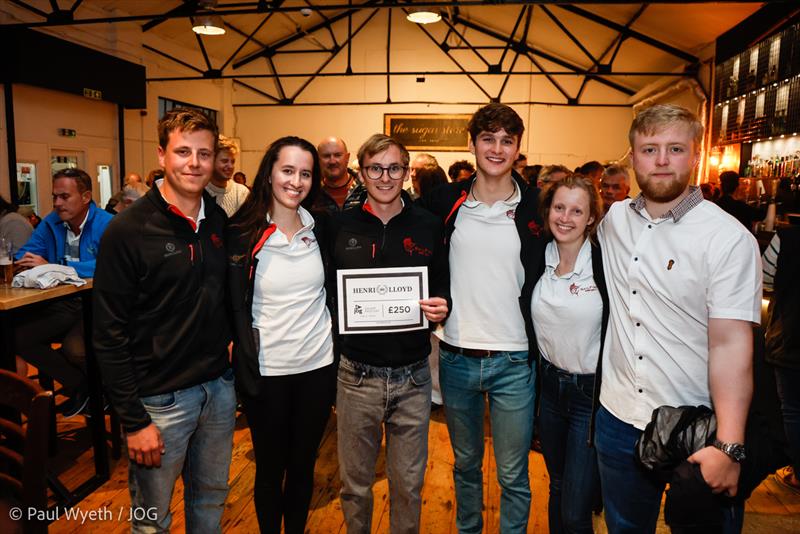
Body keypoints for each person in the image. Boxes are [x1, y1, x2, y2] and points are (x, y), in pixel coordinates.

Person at [595, 104, 761, 533]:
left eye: (675, 148)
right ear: (632, 158)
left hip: (696, 427)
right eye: (650, 149)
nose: (662, 160)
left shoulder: (726, 238)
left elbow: (731, 345)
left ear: (695, 154)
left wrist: (730, 445)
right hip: (618, 418)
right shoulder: (614, 220)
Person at [93, 108, 235, 532]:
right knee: (152, 521)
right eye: (183, 151)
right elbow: (108, 332)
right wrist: (133, 421)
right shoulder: (128, 229)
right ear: (162, 154)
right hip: (160, 402)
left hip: (219, 391)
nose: (194, 163)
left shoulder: (219, 221)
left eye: (204, 154)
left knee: (210, 503)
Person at [422, 103, 546, 533]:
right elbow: (420, 258)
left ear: (517, 148)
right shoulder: (442, 201)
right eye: (488, 138)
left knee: (514, 474)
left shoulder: (537, 206)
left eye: (506, 141)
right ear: (472, 143)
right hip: (456, 356)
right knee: (466, 465)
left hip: (514, 360)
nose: (497, 149)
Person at [333, 133, 449, 534]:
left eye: (394, 168)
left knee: (409, 485)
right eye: (375, 168)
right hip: (355, 375)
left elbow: (443, 283)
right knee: (354, 486)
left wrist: (442, 304)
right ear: (361, 172)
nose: (385, 177)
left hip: (413, 376)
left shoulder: (429, 226)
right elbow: (328, 295)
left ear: (407, 171)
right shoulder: (338, 225)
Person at [227, 136, 335, 534]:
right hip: (266, 372)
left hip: (317, 368)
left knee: (304, 466)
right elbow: (231, 302)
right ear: (269, 173)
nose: (296, 181)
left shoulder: (321, 226)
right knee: (271, 470)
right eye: (287, 171)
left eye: (305, 173)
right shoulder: (242, 232)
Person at [532, 174, 607, 534]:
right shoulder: (536, 257)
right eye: (559, 207)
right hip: (548, 389)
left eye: (577, 210)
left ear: (591, 217)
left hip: (589, 395)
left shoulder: (606, 265)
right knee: (557, 486)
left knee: (577, 510)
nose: (566, 217)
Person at [14, 168, 113, 417]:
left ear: (86, 196)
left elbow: (109, 266)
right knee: (17, 337)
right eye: (54, 197)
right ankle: (88, 389)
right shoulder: (51, 222)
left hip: (101, 304)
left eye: (64, 197)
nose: (57, 203)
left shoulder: (107, 224)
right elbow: (24, 254)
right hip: (63, 303)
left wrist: (57, 267)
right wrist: (28, 261)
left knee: (74, 349)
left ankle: (108, 391)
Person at [762, 227, 800, 493]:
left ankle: (798, 474)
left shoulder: (787, 238)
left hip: (792, 336)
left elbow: (764, 279)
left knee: (794, 410)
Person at [312, 136, 363, 213]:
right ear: (318, 160)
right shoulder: (312, 193)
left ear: (347, 157)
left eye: (337, 155)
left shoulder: (365, 187)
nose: (332, 161)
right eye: (326, 156)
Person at [206, 135, 249, 217]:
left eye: (232, 162)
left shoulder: (241, 193)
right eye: (225, 161)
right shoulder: (199, 192)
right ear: (211, 161)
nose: (230, 166)